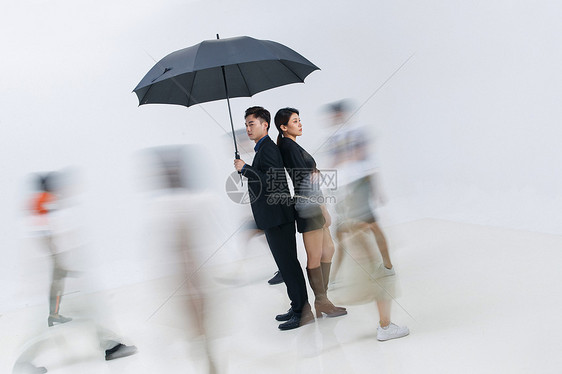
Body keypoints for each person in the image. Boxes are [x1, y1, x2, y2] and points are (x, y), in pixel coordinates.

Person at [234, 106, 313, 330]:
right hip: (273, 218)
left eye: (252, 123)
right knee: (285, 265)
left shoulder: (268, 148)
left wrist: (246, 169)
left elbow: (274, 181)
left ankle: (302, 311)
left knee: (289, 265)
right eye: (246, 124)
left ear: (265, 125)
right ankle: (297, 306)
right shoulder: (263, 149)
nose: (248, 128)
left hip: (278, 217)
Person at [274, 107, 347, 319]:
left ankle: (323, 299)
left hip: (312, 204)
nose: (300, 123)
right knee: (315, 256)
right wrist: (323, 208)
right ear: (284, 127)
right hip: (308, 206)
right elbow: (307, 181)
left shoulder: (293, 145)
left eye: (299, 120)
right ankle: (322, 301)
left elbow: (311, 176)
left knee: (329, 249)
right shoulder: (288, 147)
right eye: (295, 121)